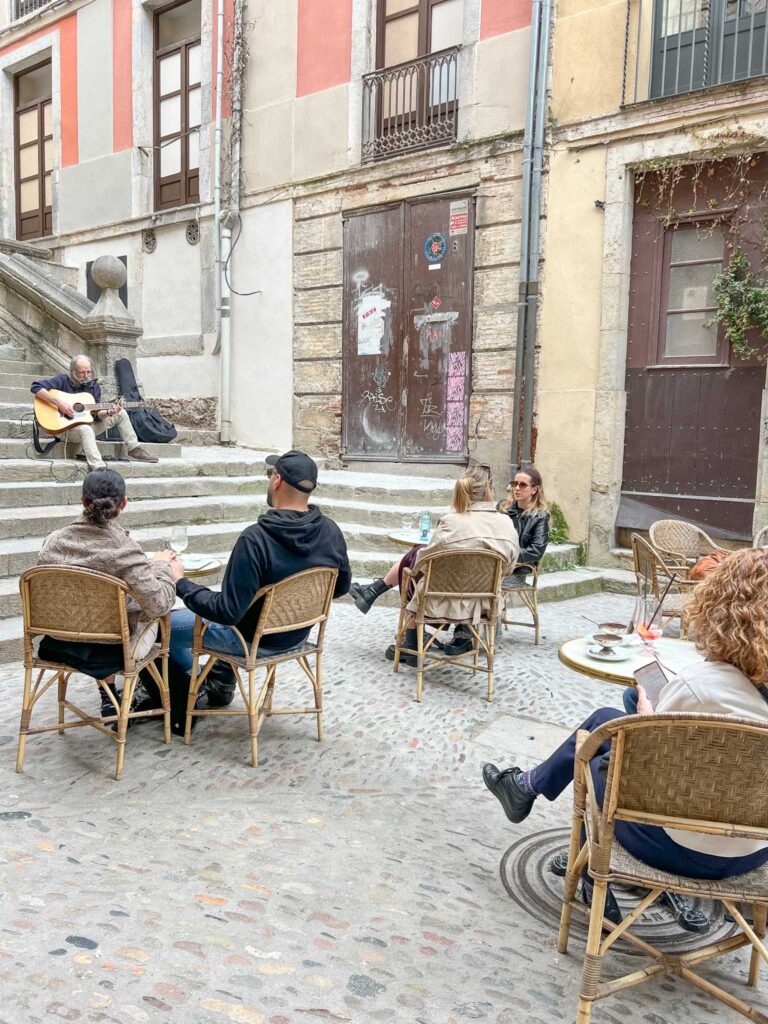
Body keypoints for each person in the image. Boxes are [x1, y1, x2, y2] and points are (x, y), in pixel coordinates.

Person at [482, 546, 768, 932]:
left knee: (603, 752)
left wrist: (649, 703)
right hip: (752, 852)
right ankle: (526, 789)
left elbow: (652, 749)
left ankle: (587, 875)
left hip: (677, 848)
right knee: (611, 721)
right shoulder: (718, 687)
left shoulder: (704, 687)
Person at [167, 450, 351, 703]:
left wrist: (180, 583)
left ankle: (191, 685)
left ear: (277, 480)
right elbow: (340, 587)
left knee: (157, 626)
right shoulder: (331, 530)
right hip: (297, 635)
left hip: (249, 641)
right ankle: (218, 679)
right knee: (241, 610)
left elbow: (227, 612)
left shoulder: (255, 539)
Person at [36, 468, 177, 723]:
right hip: (112, 647)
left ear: (82, 501)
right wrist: (163, 567)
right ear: (123, 504)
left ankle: (108, 695)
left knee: (109, 606)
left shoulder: (53, 541)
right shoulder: (124, 549)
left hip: (58, 641)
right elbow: (159, 604)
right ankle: (132, 695)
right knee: (141, 613)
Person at [348, 465, 519, 666]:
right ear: (490, 490)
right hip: (482, 604)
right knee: (416, 560)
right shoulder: (506, 523)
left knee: (412, 564)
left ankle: (410, 641)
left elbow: (423, 564)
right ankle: (378, 599)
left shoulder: (451, 521)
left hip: (440, 601)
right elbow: (508, 569)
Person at [31, 354, 158, 472]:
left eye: (88, 372)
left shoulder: (93, 387)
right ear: (73, 372)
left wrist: (108, 412)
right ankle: (99, 467)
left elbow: (95, 416)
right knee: (86, 428)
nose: (86, 375)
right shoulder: (62, 380)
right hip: (65, 430)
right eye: (82, 373)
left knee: (121, 413)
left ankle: (134, 448)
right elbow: (35, 387)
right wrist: (59, 403)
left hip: (86, 426)